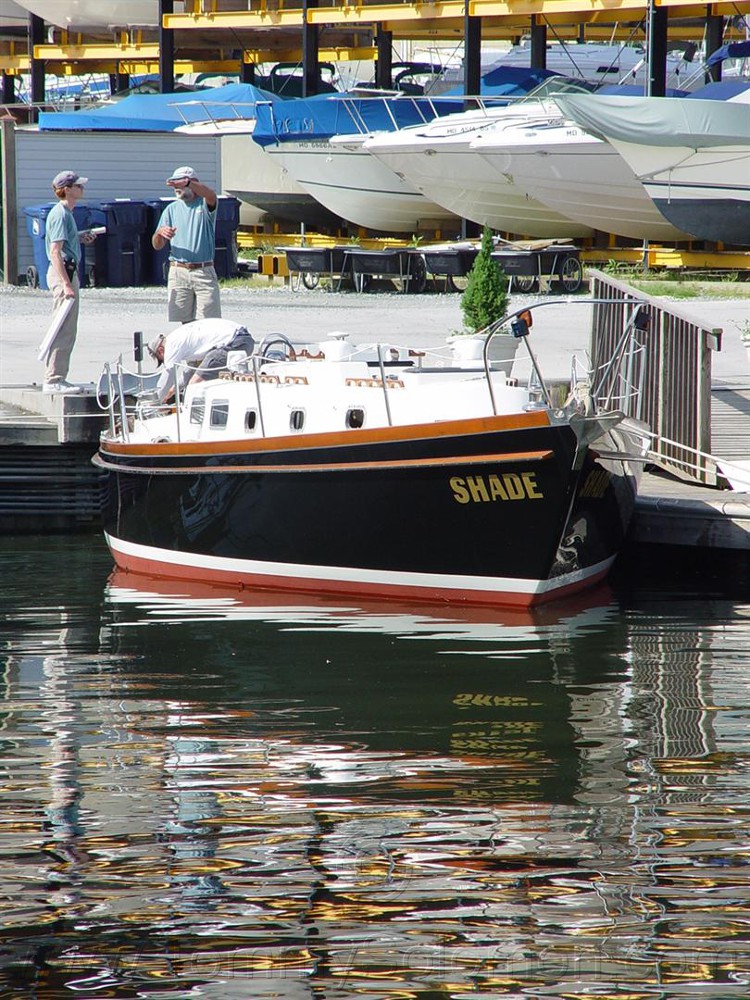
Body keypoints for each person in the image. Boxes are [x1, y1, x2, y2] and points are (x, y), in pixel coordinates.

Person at [43, 170, 97, 394]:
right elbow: (55, 252)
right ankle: (54, 378)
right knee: (63, 326)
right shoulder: (60, 214)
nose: (81, 189)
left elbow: (64, 243)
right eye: (77, 186)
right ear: (66, 189)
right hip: (63, 272)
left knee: (68, 327)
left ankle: (58, 376)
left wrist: (80, 237)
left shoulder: (67, 214)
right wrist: (66, 284)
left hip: (68, 270)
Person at [152, 165, 221, 324]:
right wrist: (159, 234)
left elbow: (211, 195)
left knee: (208, 323)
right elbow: (157, 245)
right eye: (175, 185)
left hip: (203, 271)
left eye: (180, 184)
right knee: (184, 325)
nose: (176, 188)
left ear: (193, 184)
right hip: (178, 271)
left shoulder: (204, 205)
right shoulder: (171, 209)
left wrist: (187, 183)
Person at [147, 317, 254, 403]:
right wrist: (173, 390)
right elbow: (191, 370)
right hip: (244, 338)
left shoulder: (171, 344)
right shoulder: (181, 338)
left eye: (161, 359)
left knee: (194, 385)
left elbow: (168, 374)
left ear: (160, 351)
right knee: (195, 380)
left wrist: (155, 402)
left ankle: (192, 420)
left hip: (234, 342)